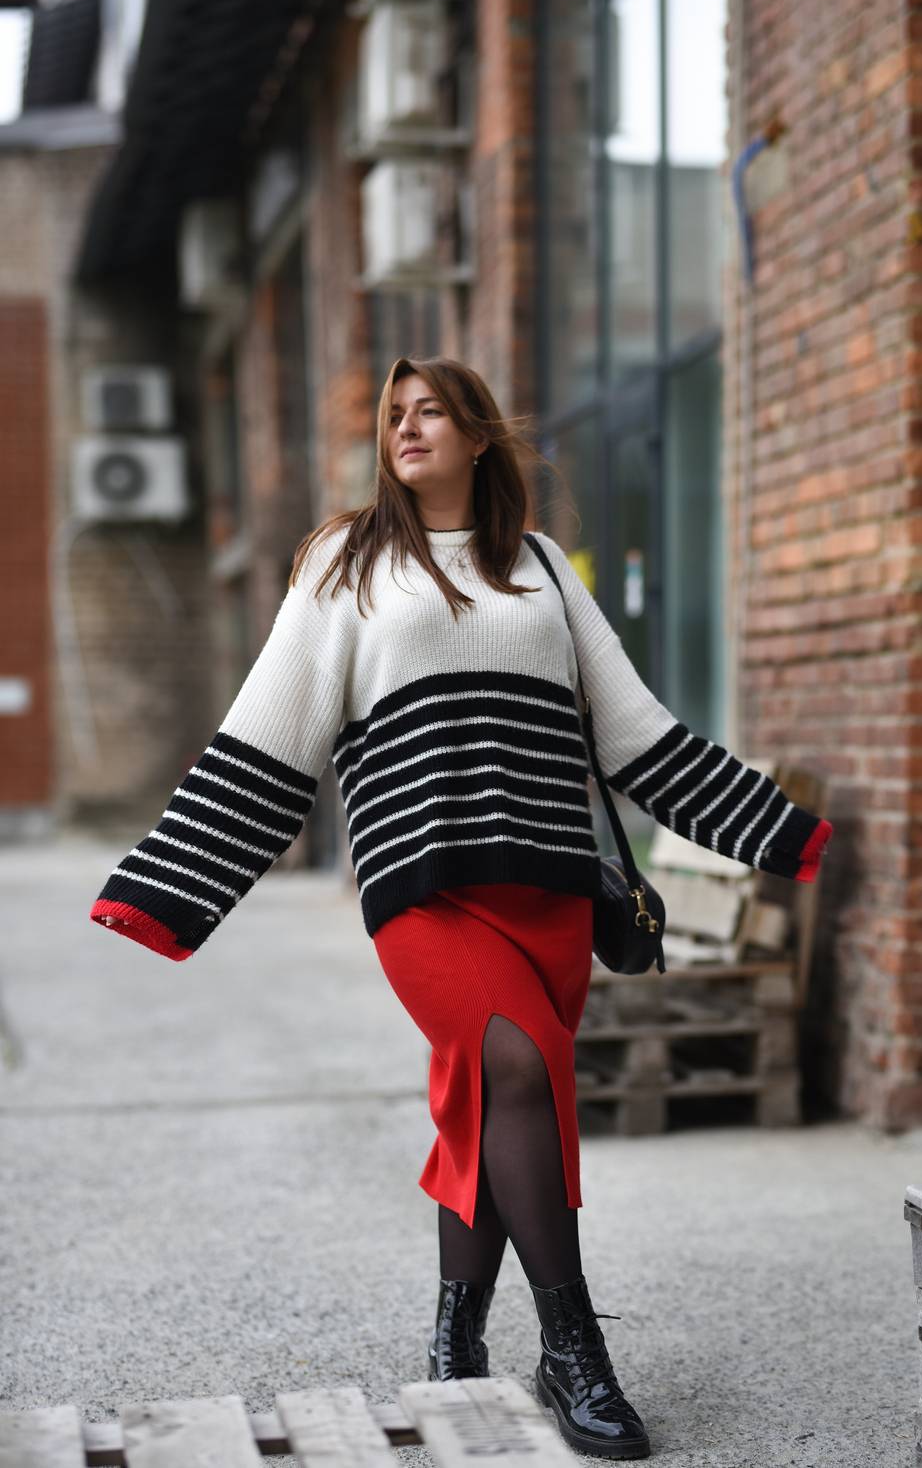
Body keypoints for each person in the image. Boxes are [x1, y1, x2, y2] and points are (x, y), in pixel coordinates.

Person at [91, 354, 832, 1460]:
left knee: (485, 1103)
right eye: (394, 414)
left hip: (549, 895)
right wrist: (165, 888)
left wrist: (776, 831)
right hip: (423, 892)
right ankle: (574, 1351)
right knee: (517, 1071)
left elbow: (634, 732)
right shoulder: (345, 562)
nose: (407, 427)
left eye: (430, 410)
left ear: (478, 435)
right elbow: (271, 732)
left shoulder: (540, 566)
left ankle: (455, 1345)